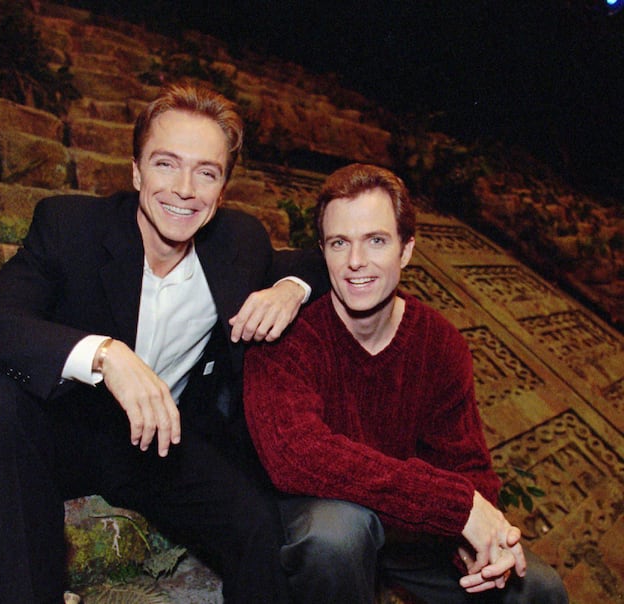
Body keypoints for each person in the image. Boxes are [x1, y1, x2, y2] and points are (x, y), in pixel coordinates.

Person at [0, 83, 327, 603]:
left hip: (161, 446)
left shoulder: (239, 242)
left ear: (222, 190)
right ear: (135, 171)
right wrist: (105, 355)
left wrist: (290, 288)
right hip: (65, 434)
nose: (185, 189)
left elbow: (321, 260)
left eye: (207, 172)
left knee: (257, 526)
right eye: (166, 164)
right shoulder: (70, 226)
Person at [243, 163, 568, 603]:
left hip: (410, 529)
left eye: (376, 241)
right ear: (322, 252)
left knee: (539, 589)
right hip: (322, 516)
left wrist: (474, 544)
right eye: (340, 243)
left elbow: (468, 465)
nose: (356, 262)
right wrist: (457, 507)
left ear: (407, 250)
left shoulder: (439, 342)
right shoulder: (287, 332)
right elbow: (294, 454)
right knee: (337, 534)